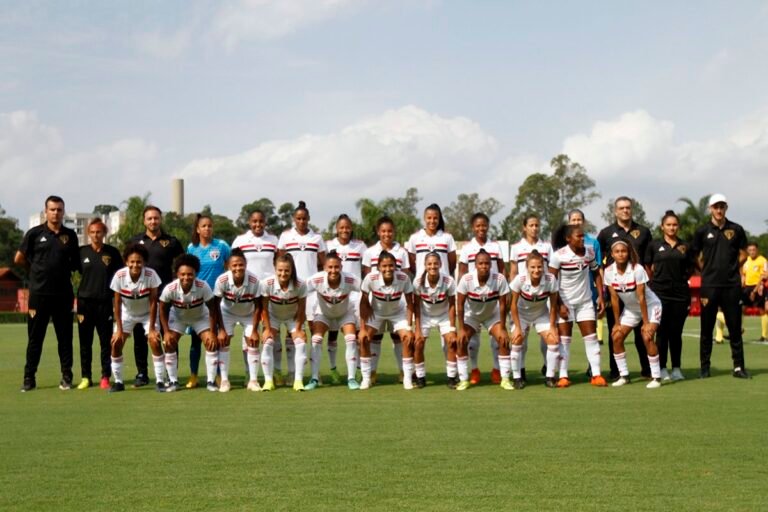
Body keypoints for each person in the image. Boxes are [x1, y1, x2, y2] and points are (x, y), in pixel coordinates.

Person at [16, 195, 80, 392]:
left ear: (63, 211)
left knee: (65, 338)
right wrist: (34, 272)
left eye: (59, 209)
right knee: (35, 338)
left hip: (63, 295)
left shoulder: (70, 235)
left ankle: (67, 377)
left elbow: (76, 263)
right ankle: (29, 378)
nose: (56, 213)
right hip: (39, 294)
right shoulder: (34, 234)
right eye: (52, 209)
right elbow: (19, 258)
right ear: (46, 211)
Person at [691, 194, 750, 379]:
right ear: (710, 208)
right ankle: (705, 367)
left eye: (722, 207)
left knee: (734, 328)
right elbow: (693, 255)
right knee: (706, 328)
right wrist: (706, 270)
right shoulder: (702, 231)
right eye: (716, 207)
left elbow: (744, 254)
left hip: (732, 285)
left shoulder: (736, 229)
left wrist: (733, 269)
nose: (719, 210)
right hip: (709, 285)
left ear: (726, 208)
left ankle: (738, 367)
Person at [597, 197, 652, 379]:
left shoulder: (643, 231)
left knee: (641, 334)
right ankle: (617, 371)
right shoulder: (606, 233)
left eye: (628, 208)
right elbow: (600, 262)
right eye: (621, 208)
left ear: (632, 210)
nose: (625, 211)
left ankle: (647, 369)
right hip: (616, 291)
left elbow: (649, 262)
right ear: (615, 211)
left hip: (638, 289)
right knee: (616, 330)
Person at [130, 206, 183, 387]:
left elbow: (181, 266)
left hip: (165, 297)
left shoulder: (171, 241)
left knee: (168, 335)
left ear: (160, 220)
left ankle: (171, 374)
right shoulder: (136, 241)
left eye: (156, 218)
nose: (153, 221)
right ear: (144, 221)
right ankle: (142, 373)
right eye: (150, 218)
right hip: (141, 297)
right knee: (140, 337)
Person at [549, 224, 607, 387]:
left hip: (585, 302)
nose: (582, 239)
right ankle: (563, 376)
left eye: (583, 236)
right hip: (565, 302)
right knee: (565, 340)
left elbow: (596, 272)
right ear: (568, 239)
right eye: (579, 236)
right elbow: (551, 283)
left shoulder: (589, 251)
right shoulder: (558, 256)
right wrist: (559, 304)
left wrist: (601, 297)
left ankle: (596, 375)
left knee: (591, 338)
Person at [277, 201, 325, 385]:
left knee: (314, 332)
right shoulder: (285, 236)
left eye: (304, 218)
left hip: (311, 291)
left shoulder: (317, 238)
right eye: (298, 218)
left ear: (309, 219)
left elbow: (323, 264)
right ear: (293, 219)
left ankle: (315, 373)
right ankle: (291, 373)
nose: (301, 221)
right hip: (291, 290)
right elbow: (281, 259)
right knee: (292, 332)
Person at [604, 239, 664, 389]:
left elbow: (642, 297)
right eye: (617, 252)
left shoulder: (637, 269)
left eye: (623, 251)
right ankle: (624, 375)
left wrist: (646, 323)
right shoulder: (609, 271)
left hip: (650, 306)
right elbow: (614, 299)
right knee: (616, 336)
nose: (620, 254)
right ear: (612, 254)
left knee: (647, 336)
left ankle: (656, 377)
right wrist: (617, 324)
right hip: (631, 309)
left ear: (628, 253)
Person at [158, 254, 220, 392]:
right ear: (177, 274)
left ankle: (211, 381)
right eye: (183, 274)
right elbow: (162, 309)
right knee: (169, 343)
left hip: (200, 317)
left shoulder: (203, 286)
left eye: (190, 274)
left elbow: (212, 309)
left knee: (210, 342)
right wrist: (166, 332)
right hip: (178, 317)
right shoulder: (170, 288)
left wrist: (212, 331)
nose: (186, 278)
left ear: (195, 274)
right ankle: (173, 381)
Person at [361, 216, 411, 383]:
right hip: (377, 302)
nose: (387, 234)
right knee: (376, 337)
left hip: (398, 302)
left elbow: (405, 275)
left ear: (394, 231)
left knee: (398, 337)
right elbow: (368, 278)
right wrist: (368, 304)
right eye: (383, 231)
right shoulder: (369, 252)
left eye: (389, 231)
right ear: (378, 232)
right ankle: (372, 373)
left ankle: (404, 373)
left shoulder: (401, 252)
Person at [458, 212, 506, 385]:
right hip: (473, 302)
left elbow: (502, 270)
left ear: (488, 226)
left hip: (491, 301)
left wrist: (500, 289)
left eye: (484, 225)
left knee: (497, 340)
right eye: (477, 226)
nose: (481, 228)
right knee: (472, 340)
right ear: (473, 227)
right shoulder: (466, 248)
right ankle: (474, 369)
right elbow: (462, 272)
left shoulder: (495, 246)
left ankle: (497, 370)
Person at [108, 243, 163, 392]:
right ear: (126, 262)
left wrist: (151, 329)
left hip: (147, 314)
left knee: (154, 341)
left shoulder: (151, 275)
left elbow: (153, 302)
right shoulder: (119, 276)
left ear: (144, 262)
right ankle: (118, 382)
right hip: (127, 313)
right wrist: (119, 329)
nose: (135, 265)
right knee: (116, 343)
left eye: (139, 261)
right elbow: (117, 304)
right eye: (132, 261)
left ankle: (160, 381)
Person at [231, 208, 278, 382]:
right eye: (254, 221)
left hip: (268, 292)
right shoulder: (240, 240)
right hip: (248, 292)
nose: (257, 224)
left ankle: (274, 372)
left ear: (265, 223)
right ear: (249, 222)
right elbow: (233, 263)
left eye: (261, 221)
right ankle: (248, 372)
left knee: (271, 333)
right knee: (249, 335)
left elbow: (279, 262)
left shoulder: (273, 240)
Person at [646, 211, 693, 381]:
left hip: (680, 294)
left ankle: (677, 368)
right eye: (669, 225)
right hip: (659, 294)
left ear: (678, 227)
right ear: (662, 227)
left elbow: (690, 268)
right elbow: (648, 267)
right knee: (662, 332)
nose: (672, 227)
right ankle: (662, 368)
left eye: (675, 225)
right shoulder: (654, 245)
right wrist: (654, 283)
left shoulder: (685, 246)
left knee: (676, 333)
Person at [76, 218, 123, 390]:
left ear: (104, 233)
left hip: (105, 303)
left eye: (99, 232)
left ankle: (105, 376)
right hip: (84, 303)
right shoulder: (81, 252)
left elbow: (120, 276)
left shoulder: (112, 253)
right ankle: (86, 377)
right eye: (93, 232)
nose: (96, 235)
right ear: (88, 234)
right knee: (85, 342)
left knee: (105, 342)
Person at [185, 214, 231, 389]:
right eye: (203, 226)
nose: (207, 229)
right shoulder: (191, 247)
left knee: (217, 339)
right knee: (196, 340)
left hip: (217, 300)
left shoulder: (221, 246)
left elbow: (230, 266)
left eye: (210, 226)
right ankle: (194, 376)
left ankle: (218, 376)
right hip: (198, 299)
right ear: (197, 229)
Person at [305, 251, 362, 390]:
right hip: (323, 314)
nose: (333, 270)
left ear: (341, 267)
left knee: (351, 338)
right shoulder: (316, 279)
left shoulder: (351, 279)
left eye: (336, 267)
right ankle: (314, 378)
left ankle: (351, 378)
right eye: (330, 267)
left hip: (344, 313)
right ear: (324, 267)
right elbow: (301, 292)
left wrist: (362, 318)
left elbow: (365, 292)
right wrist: (306, 316)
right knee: (316, 340)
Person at [456, 250, 511, 391]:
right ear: (475, 265)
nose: (484, 266)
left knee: (503, 340)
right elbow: (460, 305)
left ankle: (505, 378)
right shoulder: (466, 279)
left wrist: (503, 328)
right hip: (472, 315)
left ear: (491, 265)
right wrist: (461, 329)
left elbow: (504, 304)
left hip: (492, 314)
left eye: (487, 263)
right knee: (461, 341)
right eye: (480, 263)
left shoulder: (499, 278)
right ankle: (463, 379)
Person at [358, 251, 415, 390]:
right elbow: (363, 302)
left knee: (408, 338)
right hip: (377, 313)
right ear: (378, 267)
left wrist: (409, 325)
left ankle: (407, 378)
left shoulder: (403, 278)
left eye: (391, 265)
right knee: (364, 338)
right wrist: (363, 328)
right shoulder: (370, 278)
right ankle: (366, 378)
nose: (388, 269)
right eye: (384, 266)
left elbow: (410, 303)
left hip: (397, 313)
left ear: (396, 266)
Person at [508, 214, 553, 384]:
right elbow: (513, 271)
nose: (534, 228)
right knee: (521, 339)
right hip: (522, 297)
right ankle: (520, 370)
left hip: (542, 296)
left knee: (547, 338)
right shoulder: (516, 247)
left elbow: (552, 271)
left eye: (537, 225)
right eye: (531, 225)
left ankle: (547, 366)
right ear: (524, 227)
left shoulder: (547, 247)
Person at [324, 214, 366, 384]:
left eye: (347, 227)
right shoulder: (328, 245)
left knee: (355, 335)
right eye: (341, 227)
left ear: (351, 228)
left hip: (355, 296)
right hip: (333, 295)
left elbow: (365, 269)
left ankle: (357, 370)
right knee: (333, 334)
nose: (344, 230)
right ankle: (333, 369)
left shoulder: (360, 246)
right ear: (336, 229)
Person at [509, 251, 560, 389]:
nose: (536, 270)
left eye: (539, 267)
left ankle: (549, 377)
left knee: (553, 340)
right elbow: (512, 304)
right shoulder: (519, 280)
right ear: (527, 267)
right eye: (532, 267)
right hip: (521, 315)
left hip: (541, 314)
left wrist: (552, 326)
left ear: (543, 266)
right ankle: (517, 377)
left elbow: (554, 305)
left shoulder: (550, 279)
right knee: (517, 340)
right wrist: (518, 328)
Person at [213, 248, 261, 392]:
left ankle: (253, 380)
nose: (238, 268)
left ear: (245, 264)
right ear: (229, 266)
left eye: (241, 264)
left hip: (248, 313)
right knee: (224, 341)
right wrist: (221, 329)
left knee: (252, 342)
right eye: (234, 265)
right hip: (227, 313)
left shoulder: (254, 280)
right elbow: (216, 305)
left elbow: (258, 306)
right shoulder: (222, 280)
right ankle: (225, 381)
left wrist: (254, 330)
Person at [259, 254, 308, 391]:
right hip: (273, 316)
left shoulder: (300, 284)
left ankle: (298, 380)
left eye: (287, 270)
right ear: (275, 269)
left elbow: (302, 308)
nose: (283, 273)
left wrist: (298, 328)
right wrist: (267, 329)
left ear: (292, 270)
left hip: (292, 317)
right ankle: (269, 381)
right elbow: (264, 308)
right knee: (268, 343)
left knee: (301, 343)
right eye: (280, 270)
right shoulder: (267, 283)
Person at [413, 252, 458, 388]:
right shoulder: (417, 282)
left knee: (451, 342)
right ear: (425, 266)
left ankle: (451, 377)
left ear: (440, 264)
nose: (433, 266)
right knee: (418, 343)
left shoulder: (449, 281)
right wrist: (418, 329)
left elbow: (452, 305)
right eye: (429, 264)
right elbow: (416, 306)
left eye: (435, 263)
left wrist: (452, 328)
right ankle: (420, 377)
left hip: (443, 316)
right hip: (425, 315)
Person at [567, 209, 603, 344]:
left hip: (588, 294)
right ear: (569, 222)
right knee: (564, 335)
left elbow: (598, 270)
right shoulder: (562, 242)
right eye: (573, 220)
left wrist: (601, 294)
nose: (576, 222)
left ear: (584, 221)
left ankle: (592, 365)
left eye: (579, 219)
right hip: (566, 295)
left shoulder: (593, 243)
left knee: (590, 335)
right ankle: (562, 365)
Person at [742, 242, 768, 341]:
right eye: (750, 250)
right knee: (740, 308)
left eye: (754, 250)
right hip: (747, 288)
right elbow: (744, 274)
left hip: (758, 287)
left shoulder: (763, 261)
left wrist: (754, 291)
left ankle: (764, 335)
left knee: (762, 310)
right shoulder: (747, 261)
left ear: (757, 250)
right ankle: (739, 329)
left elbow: (764, 276)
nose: (752, 252)